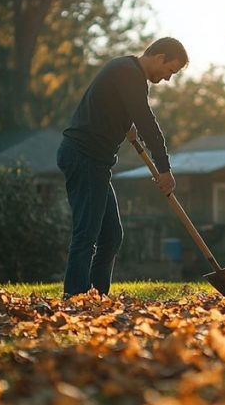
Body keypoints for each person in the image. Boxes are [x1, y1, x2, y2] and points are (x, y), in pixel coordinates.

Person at [57, 37, 188, 298]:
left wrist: (124, 122)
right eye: (170, 70)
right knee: (87, 234)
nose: (168, 79)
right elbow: (147, 123)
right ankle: (75, 298)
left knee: (112, 236)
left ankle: (96, 295)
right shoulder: (127, 73)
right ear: (159, 57)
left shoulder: (128, 73)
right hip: (84, 157)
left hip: (97, 163)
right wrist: (164, 168)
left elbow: (117, 109)